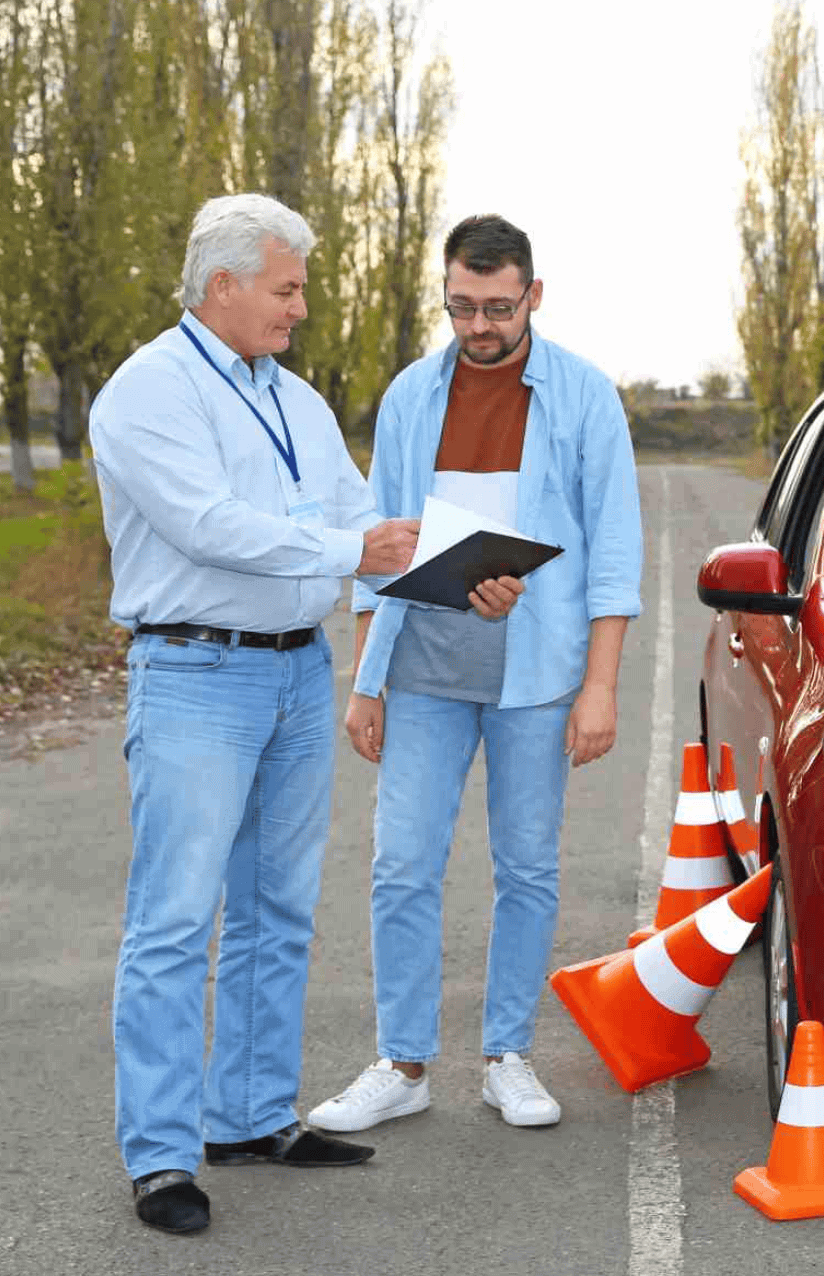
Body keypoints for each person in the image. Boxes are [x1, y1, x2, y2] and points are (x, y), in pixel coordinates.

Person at [89, 192, 419, 1235]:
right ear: (221, 286)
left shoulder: (294, 398)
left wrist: (440, 562)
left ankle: (250, 1114)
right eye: (287, 288)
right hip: (193, 674)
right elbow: (206, 525)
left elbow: (352, 509)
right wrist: (347, 552)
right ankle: (160, 1154)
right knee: (175, 921)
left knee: (278, 908)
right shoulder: (146, 392)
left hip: (292, 673)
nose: (302, 307)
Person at [308, 214, 642, 1133]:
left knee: (526, 867)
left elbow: (614, 551)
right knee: (401, 863)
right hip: (421, 665)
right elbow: (384, 545)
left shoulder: (584, 398)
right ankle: (404, 1063)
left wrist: (601, 686)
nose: (480, 326)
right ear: (447, 296)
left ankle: (507, 1056)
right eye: (462, 307)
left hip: (537, 675)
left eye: (498, 307)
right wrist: (365, 678)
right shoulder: (413, 395)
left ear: (534, 294)